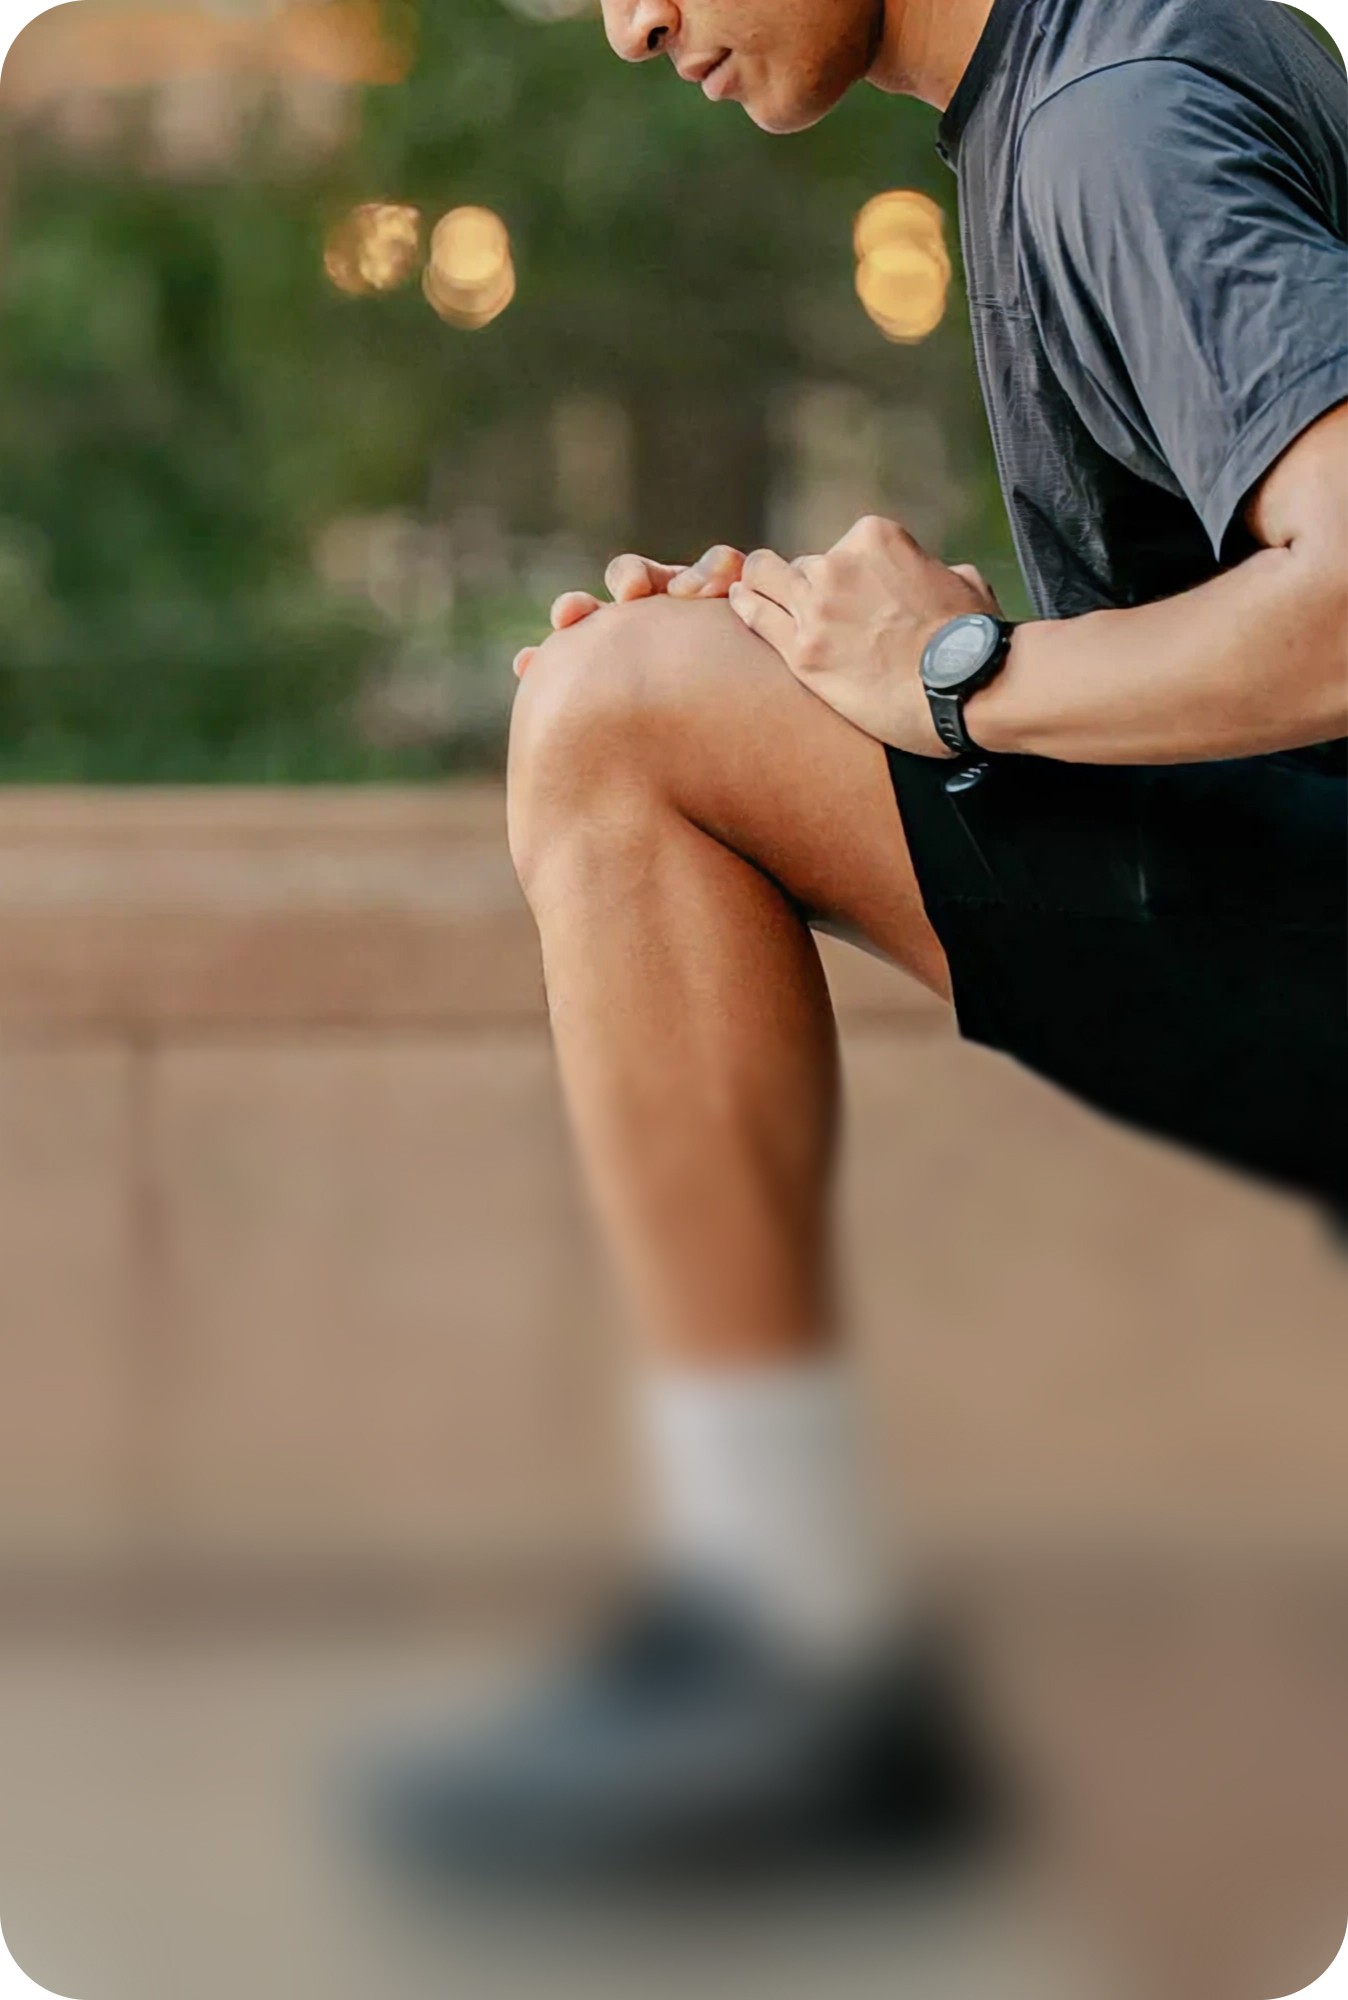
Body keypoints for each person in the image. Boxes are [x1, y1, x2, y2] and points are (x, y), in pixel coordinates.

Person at [371, 0, 1348, 1880]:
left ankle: (783, 1670)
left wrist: (960, 676)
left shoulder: (1108, 126)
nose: (631, 21)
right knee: (652, 685)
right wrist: (850, 664)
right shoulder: (1110, 64)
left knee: (610, 721)